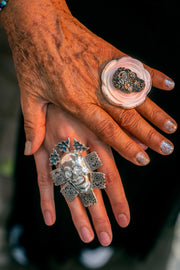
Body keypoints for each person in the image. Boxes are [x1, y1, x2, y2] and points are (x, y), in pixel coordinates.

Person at [0, 0, 179, 268]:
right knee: (64, 144)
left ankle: (116, 235)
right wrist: (41, 35)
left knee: (146, 146)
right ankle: (44, 237)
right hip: (91, 15)